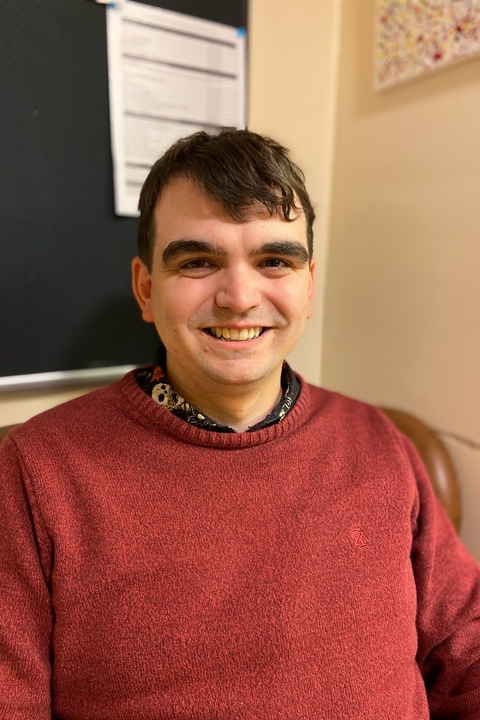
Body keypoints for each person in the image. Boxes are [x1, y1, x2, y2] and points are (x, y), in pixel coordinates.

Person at [1, 129, 479, 720]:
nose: (238, 296)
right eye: (198, 261)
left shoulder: (380, 442)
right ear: (146, 289)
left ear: (307, 287)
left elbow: (466, 648)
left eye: (274, 260)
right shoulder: (32, 471)